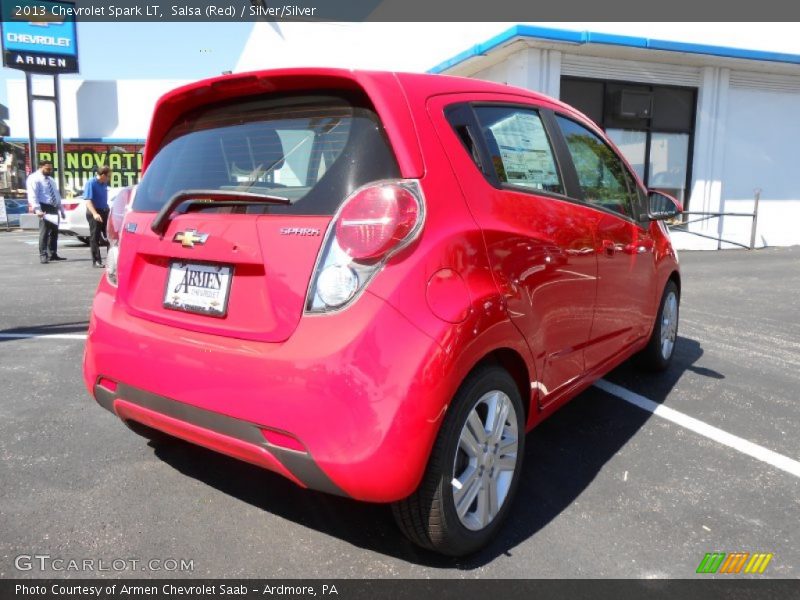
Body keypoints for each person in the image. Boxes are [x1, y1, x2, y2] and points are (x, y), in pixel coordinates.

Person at [26, 160, 66, 264]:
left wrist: (61, 210)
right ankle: (43, 255)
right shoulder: (34, 178)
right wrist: (37, 209)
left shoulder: (51, 180)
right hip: (43, 207)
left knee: (54, 232)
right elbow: (32, 195)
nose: (50, 171)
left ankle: (53, 253)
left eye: (51, 169)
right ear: (41, 167)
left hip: (53, 207)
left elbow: (56, 195)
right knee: (44, 232)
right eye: (47, 169)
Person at [84, 166, 112, 268]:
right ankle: (96, 261)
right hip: (95, 212)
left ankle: (111, 259)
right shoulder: (91, 183)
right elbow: (88, 201)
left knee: (110, 236)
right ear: (103, 175)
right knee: (95, 237)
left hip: (105, 211)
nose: (109, 178)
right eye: (108, 176)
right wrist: (95, 214)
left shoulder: (104, 183)